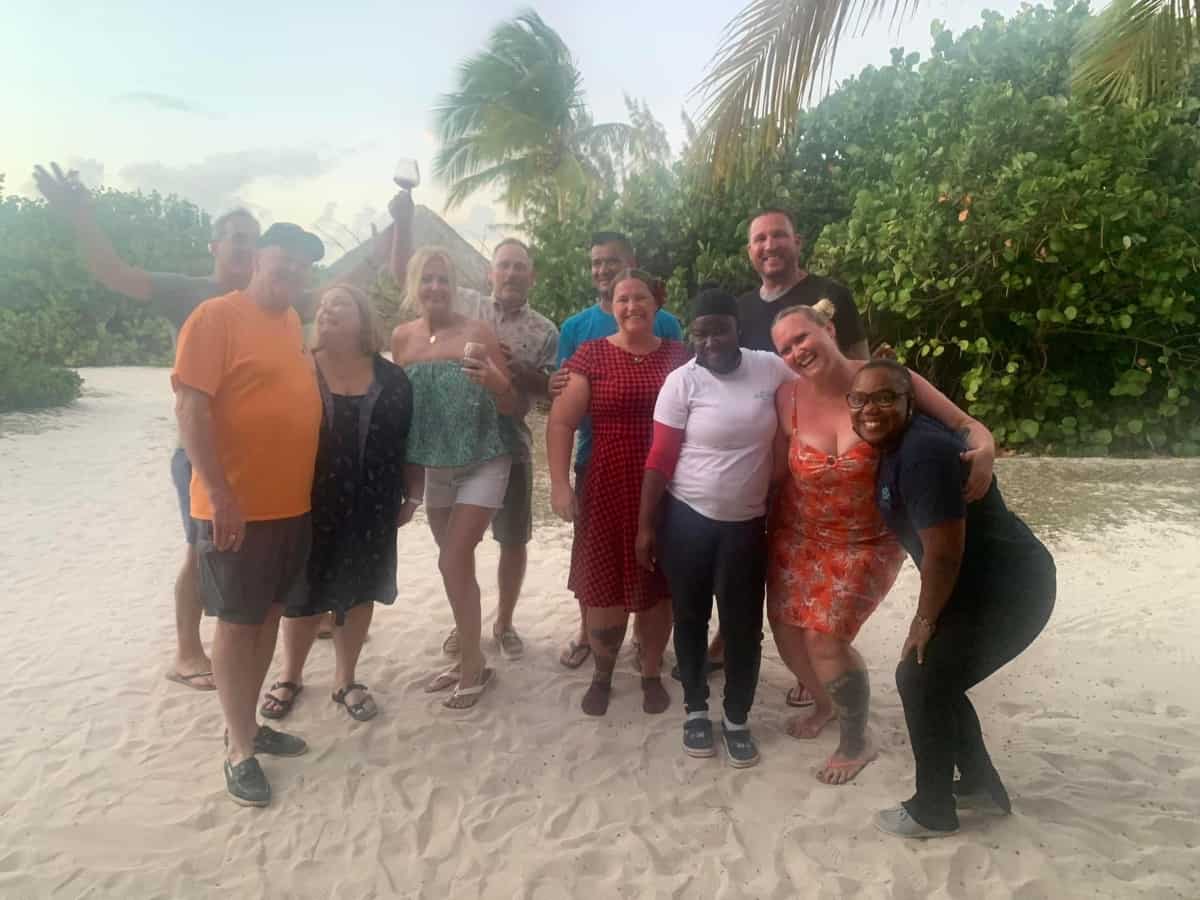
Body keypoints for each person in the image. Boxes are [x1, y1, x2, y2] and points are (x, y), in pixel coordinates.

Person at [32, 161, 389, 689]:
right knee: (201, 549)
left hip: (270, 473)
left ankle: (248, 634)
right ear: (215, 247)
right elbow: (115, 273)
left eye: (253, 240)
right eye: (236, 240)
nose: (246, 250)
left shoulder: (282, 305)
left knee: (248, 561)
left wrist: (389, 239)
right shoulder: (192, 295)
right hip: (205, 457)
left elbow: (339, 290)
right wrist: (80, 216)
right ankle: (187, 649)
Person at [767, 300, 996, 786]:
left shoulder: (886, 382)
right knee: (787, 634)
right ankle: (826, 704)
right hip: (799, 535)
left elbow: (966, 425)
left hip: (868, 542)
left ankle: (856, 739)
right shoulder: (785, 398)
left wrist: (986, 449)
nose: (796, 351)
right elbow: (772, 470)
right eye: (785, 348)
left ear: (828, 328)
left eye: (803, 337)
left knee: (826, 640)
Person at [847, 360, 1056, 837]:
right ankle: (981, 787)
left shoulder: (924, 453)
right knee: (932, 678)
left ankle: (933, 809)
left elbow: (943, 554)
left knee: (920, 677)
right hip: (976, 586)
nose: (870, 409)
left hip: (1011, 590)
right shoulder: (896, 443)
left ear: (910, 401)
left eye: (885, 398)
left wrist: (923, 621)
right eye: (858, 400)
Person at [172, 223, 326, 807]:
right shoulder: (215, 317)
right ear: (258, 258)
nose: (290, 273)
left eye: (302, 267)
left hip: (291, 506)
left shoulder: (290, 321)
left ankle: (250, 723)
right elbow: (191, 406)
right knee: (237, 625)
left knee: (268, 617)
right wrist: (220, 491)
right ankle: (238, 748)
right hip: (235, 508)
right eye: (281, 262)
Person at [696, 208, 872, 694]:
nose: (769, 246)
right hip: (762, 447)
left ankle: (815, 660)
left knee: (818, 555)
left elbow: (864, 362)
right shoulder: (740, 307)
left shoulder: (832, 295)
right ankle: (731, 635)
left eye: (778, 236)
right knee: (758, 550)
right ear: (749, 251)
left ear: (797, 240)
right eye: (759, 239)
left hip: (824, 444)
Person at [635, 288, 795, 766]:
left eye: (718, 329)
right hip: (687, 520)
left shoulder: (768, 368)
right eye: (700, 332)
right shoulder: (682, 383)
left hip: (747, 524)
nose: (709, 342)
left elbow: (817, 386)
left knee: (745, 626)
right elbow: (660, 459)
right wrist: (646, 528)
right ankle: (697, 710)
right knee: (689, 616)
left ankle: (738, 717)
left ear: (737, 328)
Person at [259, 286, 421, 723]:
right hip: (305, 500)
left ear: (364, 318)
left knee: (361, 588)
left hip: (374, 503)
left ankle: (345, 679)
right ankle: (290, 676)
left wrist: (415, 494)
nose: (329, 309)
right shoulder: (298, 368)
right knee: (303, 592)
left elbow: (410, 442)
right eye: (325, 304)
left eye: (342, 304)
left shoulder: (392, 378)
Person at [548, 268, 689, 717]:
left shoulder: (680, 356)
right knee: (604, 583)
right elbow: (561, 422)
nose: (631, 306)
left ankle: (650, 671)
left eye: (640, 298)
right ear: (610, 306)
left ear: (656, 303)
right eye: (621, 299)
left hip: (669, 486)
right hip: (606, 480)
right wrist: (558, 484)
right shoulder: (590, 355)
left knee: (658, 584)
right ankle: (603, 673)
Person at [391, 247, 517, 709]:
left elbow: (511, 404)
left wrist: (494, 381)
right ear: (414, 285)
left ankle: (472, 668)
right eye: (427, 279)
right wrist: (410, 487)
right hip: (434, 467)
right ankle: (471, 657)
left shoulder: (477, 332)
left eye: (444, 279)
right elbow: (402, 417)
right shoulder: (402, 339)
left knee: (451, 561)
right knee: (455, 566)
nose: (436, 288)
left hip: (483, 460)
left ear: (455, 284)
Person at [446, 239, 558, 661]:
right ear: (490, 272)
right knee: (461, 544)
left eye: (520, 268)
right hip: (459, 445)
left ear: (533, 276)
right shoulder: (465, 307)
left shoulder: (546, 330)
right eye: (504, 266)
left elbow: (549, 392)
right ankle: (465, 621)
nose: (511, 274)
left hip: (512, 446)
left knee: (513, 540)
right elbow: (415, 282)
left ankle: (504, 622)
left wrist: (515, 369)